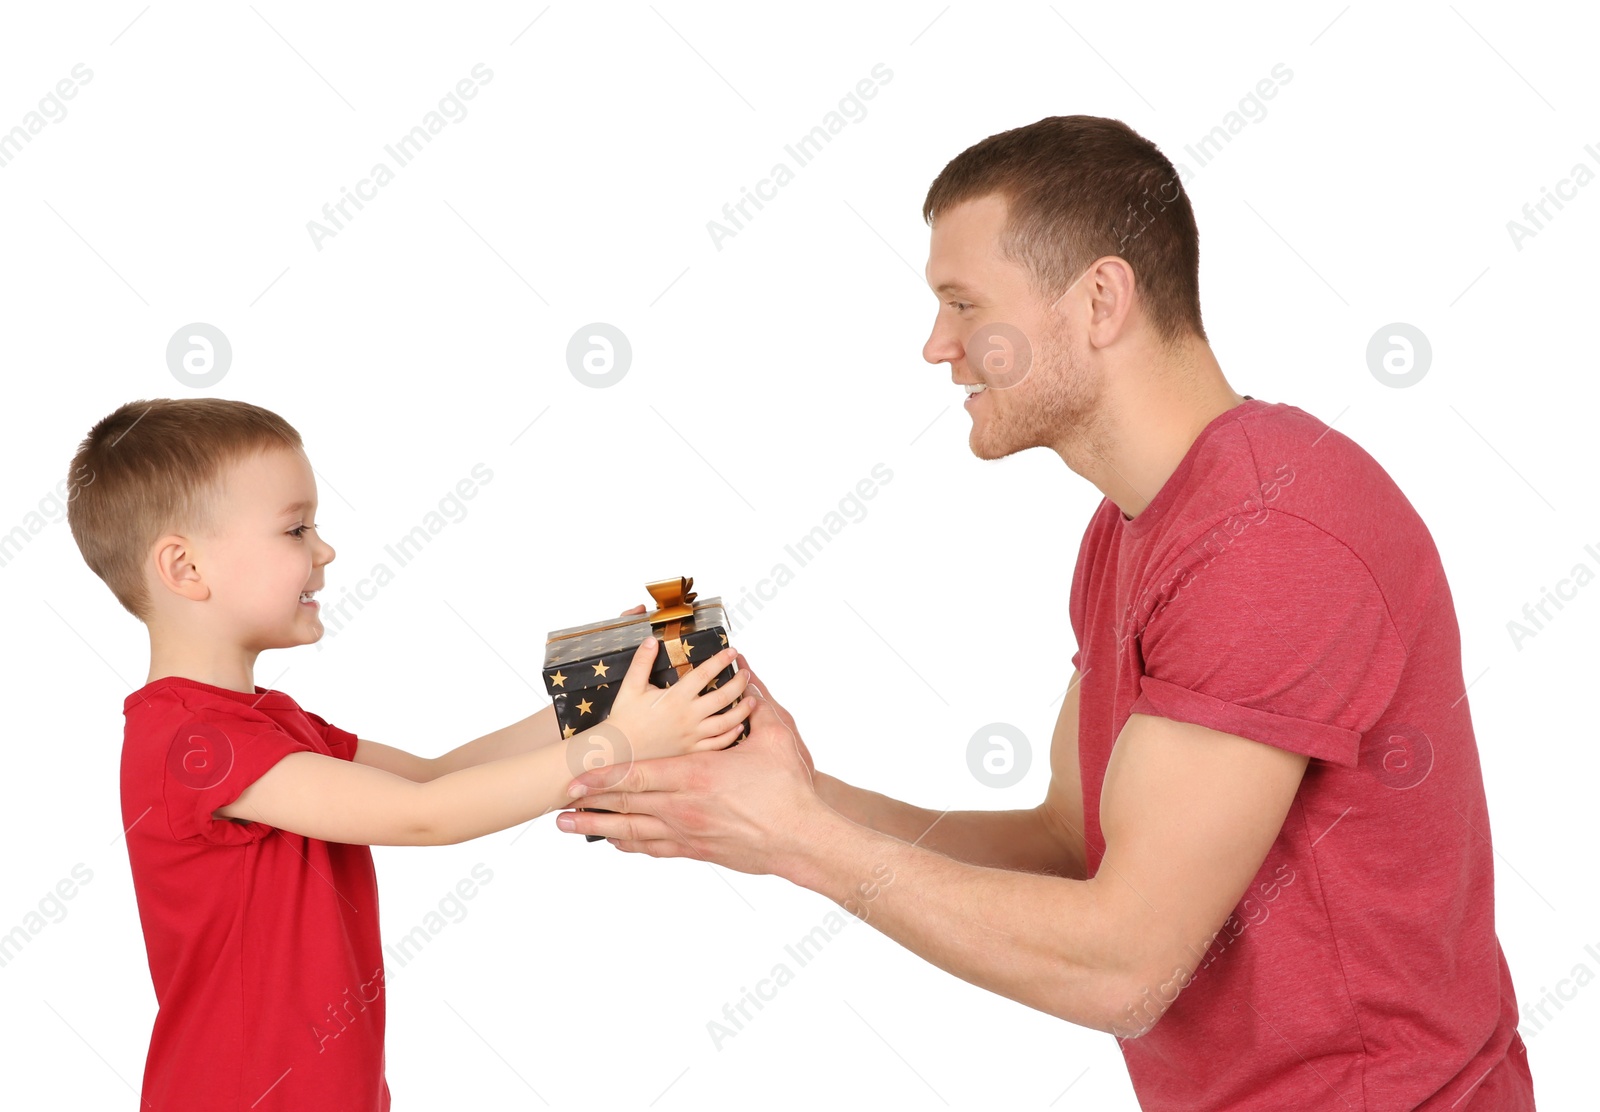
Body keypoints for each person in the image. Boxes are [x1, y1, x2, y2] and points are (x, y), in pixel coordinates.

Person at [556, 116, 1537, 1110]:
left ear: (1100, 299)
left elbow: (1124, 966)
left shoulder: (1267, 538)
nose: (936, 344)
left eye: (964, 303)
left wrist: (799, 840)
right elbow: (1074, 843)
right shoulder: (1140, 528)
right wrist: (802, 795)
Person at [66, 397, 752, 1111]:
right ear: (184, 567)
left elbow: (437, 774)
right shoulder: (193, 745)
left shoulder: (269, 724)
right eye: (296, 528)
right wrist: (621, 744)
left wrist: (603, 694)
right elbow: (424, 816)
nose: (324, 550)